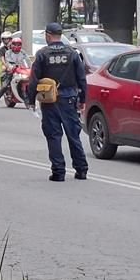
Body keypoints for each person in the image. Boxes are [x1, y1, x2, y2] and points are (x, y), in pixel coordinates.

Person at [26, 22, 89, 181]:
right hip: (69, 99)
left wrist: (31, 100)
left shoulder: (42, 54)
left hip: (49, 101)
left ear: (48, 35)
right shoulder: (72, 53)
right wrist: (82, 100)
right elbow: (82, 79)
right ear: (60, 35)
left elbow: (33, 80)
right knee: (73, 135)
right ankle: (81, 170)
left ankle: (58, 172)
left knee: (53, 136)